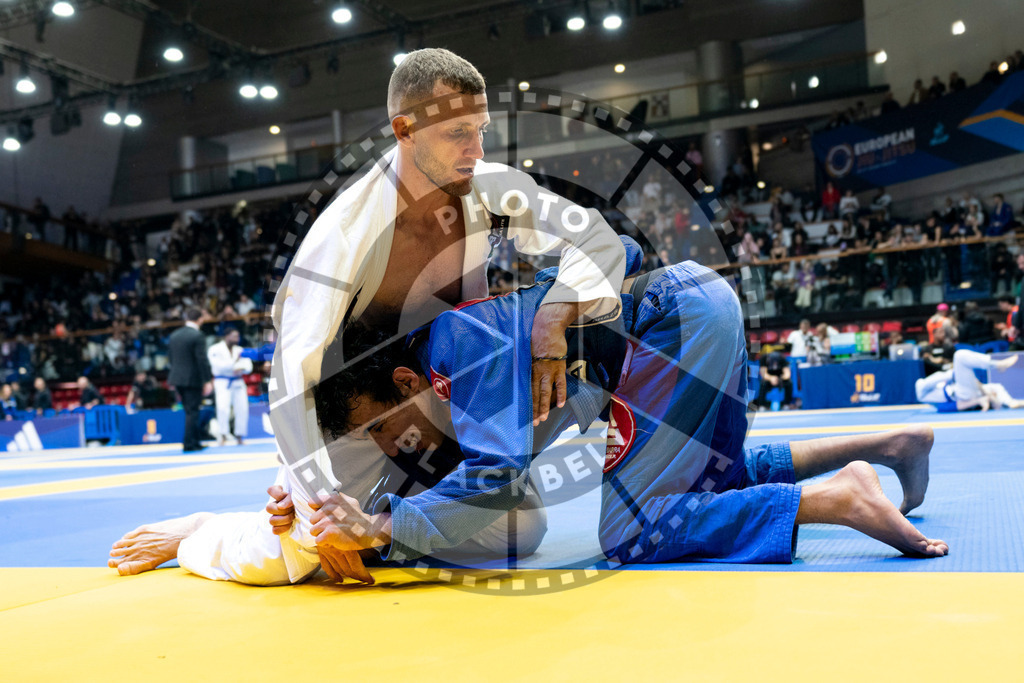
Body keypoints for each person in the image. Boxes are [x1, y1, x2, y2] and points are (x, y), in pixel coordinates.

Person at [112, 242, 946, 582]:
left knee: (617, 528)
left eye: (379, 426)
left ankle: (835, 499)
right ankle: (888, 439)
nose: (388, 445)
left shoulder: (460, 351)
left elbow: (507, 502)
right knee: (678, 472)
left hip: (675, 322)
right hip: (693, 310)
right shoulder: (432, 355)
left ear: (408, 382)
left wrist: (382, 529)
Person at [110, 47, 624, 584]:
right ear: (405, 130)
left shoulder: (489, 189)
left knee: (518, 532)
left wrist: (551, 324)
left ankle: (385, 529)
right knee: (299, 555)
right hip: (354, 417)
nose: (476, 149)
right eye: (457, 134)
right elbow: (292, 378)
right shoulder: (344, 235)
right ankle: (205, 531)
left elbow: (594, 235)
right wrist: (315, 496)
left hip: (438, 398)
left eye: (481, 129)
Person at [167, 307, 213, 453]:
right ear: (199, 319)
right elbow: (201, 360)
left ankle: (194, 442)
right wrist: (207, 380)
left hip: (177, 378)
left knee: (189, 411)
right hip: (192, 379)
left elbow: (171, 358)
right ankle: (190, 444)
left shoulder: (174, 335)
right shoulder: (197, 335)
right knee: (193, 412)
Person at [916, 351, 1022, 411]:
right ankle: (997, 365)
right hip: (964, 396)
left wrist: (987, 394)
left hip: (971, 392)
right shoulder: (930, 398)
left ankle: (1011, 402)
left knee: (995, 387)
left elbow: (974, 382)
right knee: (959, 356)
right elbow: (955, 406)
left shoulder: (942, 385)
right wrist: (979, 401)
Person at [207, 328, 253, 446]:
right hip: (222, 382)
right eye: (234, 336)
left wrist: (239, 367)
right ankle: (222, 435)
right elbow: (218, 366)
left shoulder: (240, 349)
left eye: (238, 336)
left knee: (242, 408)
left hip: (238, 382)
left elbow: (248, 366)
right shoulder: (215, 349)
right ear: (226, 336)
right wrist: (235, 364)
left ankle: (239, 436)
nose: (237, 339)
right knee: (223, 408)